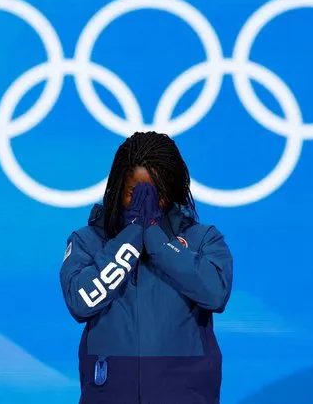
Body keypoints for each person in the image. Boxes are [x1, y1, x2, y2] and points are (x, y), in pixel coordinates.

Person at [59, 131, 234, 403]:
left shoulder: (203, 239)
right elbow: (80, 302)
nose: (145, 203)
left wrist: (157, 240)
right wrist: (130, 237)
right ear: (117, 187)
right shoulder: (87, 241)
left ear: (173, 189)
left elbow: (216, 294)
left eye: (156, 194)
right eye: (134, 193)